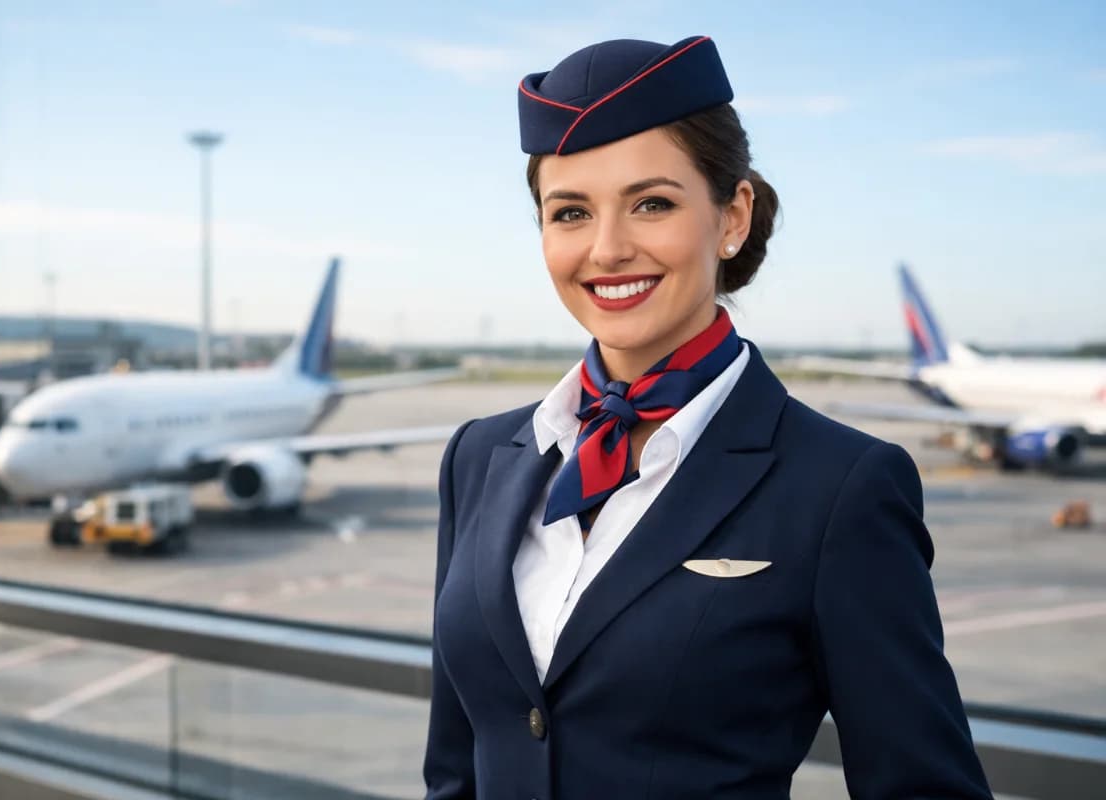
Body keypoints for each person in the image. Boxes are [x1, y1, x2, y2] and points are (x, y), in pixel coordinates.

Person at [424, 34, 992, 800]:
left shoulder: (839, 486)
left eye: (651, 203)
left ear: (732, 216)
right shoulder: (479, 457)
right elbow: (454, 770)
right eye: (569, 213)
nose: (607, 249)